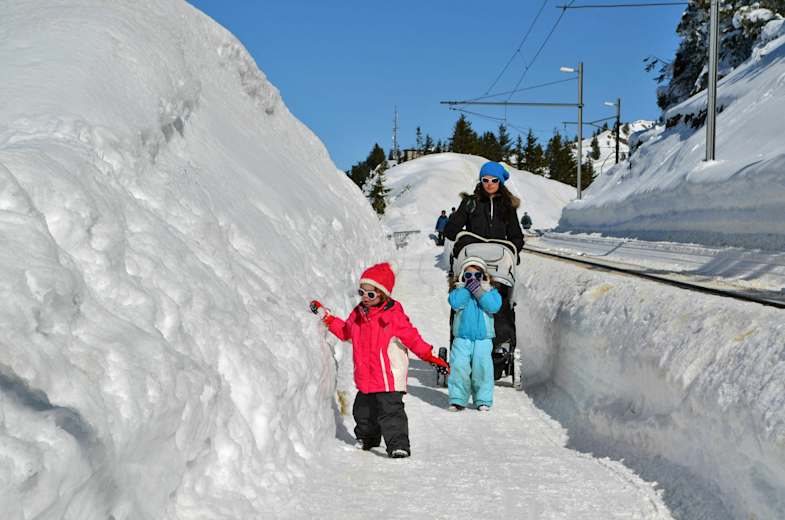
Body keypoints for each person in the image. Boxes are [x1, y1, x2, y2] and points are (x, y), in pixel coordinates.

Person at [309, 262, 449, 459]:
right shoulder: (358, 314)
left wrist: (430, 357)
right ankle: (368, 439)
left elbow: (413, 339)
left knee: (391, 413)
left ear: (383, 294)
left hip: (388, 377)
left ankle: (398, 445)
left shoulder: (394, 316)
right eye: (362, 292)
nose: (365, 297)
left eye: (371, 294)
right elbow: (346, 332)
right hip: (367, 377)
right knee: (362, 411)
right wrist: (327, 318)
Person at [447, 257, 501, 412]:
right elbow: (455, 303)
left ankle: (483, 399)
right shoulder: (458, 291)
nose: (473, 279)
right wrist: (466, 288)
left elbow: (493, 306)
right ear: (462, 276)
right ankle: (457, 398)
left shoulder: (490, 291)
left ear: (483, 276)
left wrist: (479, 291)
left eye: (477, 275)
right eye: (468, 275)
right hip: (462, 337)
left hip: (483, 338)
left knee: (482, 368)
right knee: (459, 367)